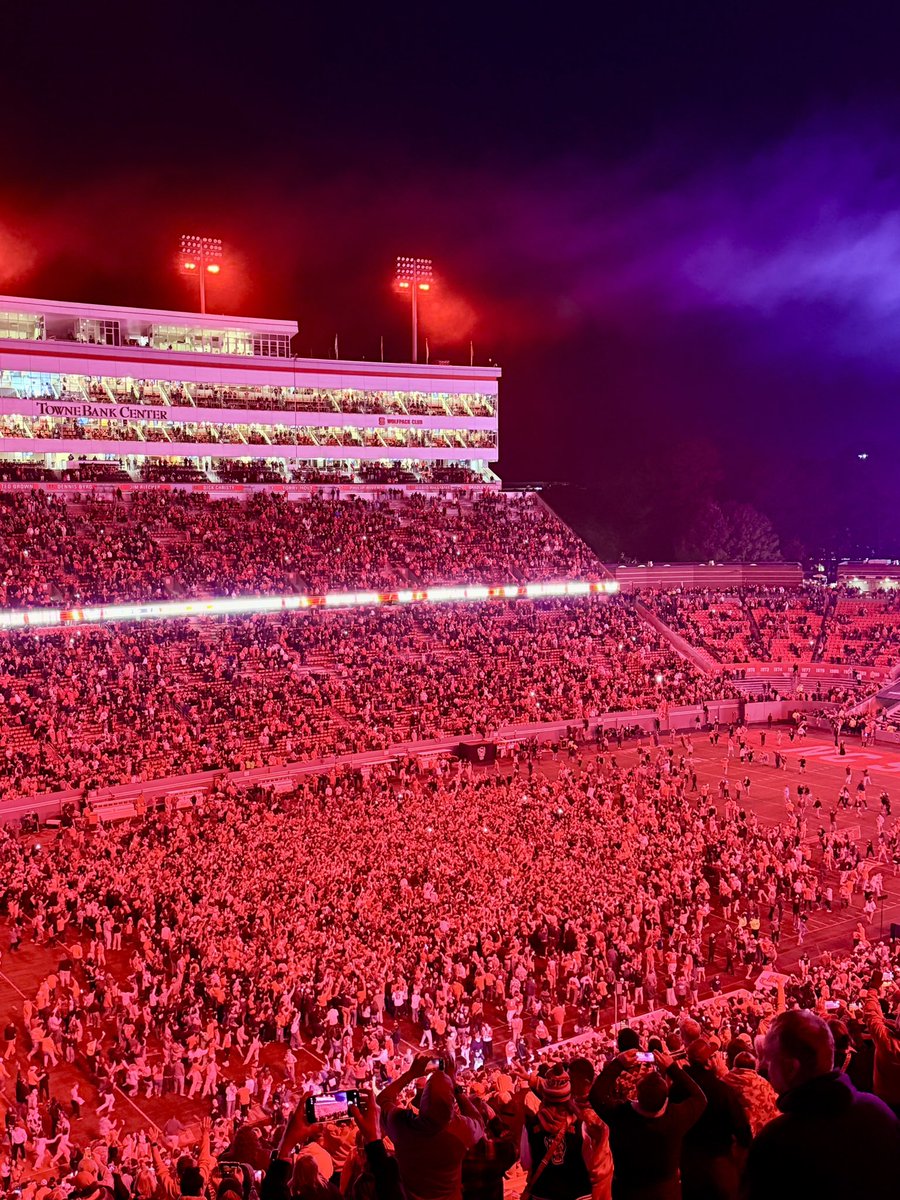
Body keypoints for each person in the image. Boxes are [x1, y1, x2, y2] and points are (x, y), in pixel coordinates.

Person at [743, 1009, 900, 1199]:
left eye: (769, 1060)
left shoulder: (774, 1142)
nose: (766, 1067)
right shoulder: (877, 1110)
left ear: (790, 1067)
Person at [590, 1048, 707, 1199]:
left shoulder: (621, 1117)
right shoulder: (676, 1118)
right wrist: (672, 1068)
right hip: (666, 1194)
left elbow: (596, 1095)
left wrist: (618, 1063)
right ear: (666, 1100)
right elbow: (700, 1098)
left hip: (628, 1193)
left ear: (637, 1095)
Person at [377, 1054, 484, 1200]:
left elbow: (383, 1099)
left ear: (423, 1101)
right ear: (451, 1102)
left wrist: (411, 1074)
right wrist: (455, 1086)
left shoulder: (403, 1124)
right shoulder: (461, 1129)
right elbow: (478, 1119)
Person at [521, 1063, 611, 1200]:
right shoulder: (584, 1124)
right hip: (579, 1195)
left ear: (545, 1096)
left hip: (543, 1195)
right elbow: (593, 1164)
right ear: (569, 1095)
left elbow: (525, 1163)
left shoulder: (529, 1126)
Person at [679, 1038, 750, 1200]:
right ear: (708, 1063)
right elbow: (743, 1132)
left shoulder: (677, 1089)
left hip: (688, 1165)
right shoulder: (721, 1091)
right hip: (718, 1164)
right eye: (714, 1055)